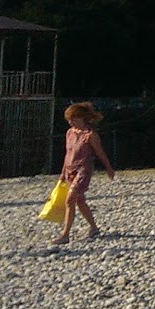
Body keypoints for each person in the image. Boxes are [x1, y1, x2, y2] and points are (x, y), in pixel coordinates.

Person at [53, 102, 116, 245]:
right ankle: (94, 228)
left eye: (73, 118)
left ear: (82, 118)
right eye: (69, 119)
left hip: (83, 170)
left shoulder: (91, 135)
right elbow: (67, 154)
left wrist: (108, 168)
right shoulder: (70, 133)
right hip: (70, 170)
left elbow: (100, 153)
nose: (70, 122)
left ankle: (65, 235)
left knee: (70, 200)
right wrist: (63, 173)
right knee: (80, 201)